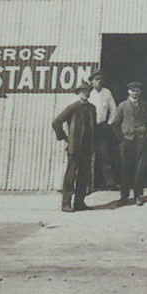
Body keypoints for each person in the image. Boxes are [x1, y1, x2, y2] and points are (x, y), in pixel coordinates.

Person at [52, 81, 96, 212]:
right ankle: (66, 203)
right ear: (78, 93)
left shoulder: (92, 108)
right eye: (83, 91)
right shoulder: (73, 107)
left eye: (88, 91)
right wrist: (65, 138)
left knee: (84, 175)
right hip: (75, 147)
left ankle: (79, 203)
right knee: (70, 176)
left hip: (87, 147)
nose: (86, 94)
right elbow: (56, 122)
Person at [111, 81, 147, 206]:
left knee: (140, 168)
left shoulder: (145, 105)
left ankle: (138, 195)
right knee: (125, 167)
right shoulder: (123, 105)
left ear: (140, 92)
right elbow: (115, 123)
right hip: (127, 140)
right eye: (133, 91)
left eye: (137, 91)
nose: (135, 93)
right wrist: (121, 138)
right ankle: (124, 196)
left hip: (141, 140)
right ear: (128, 92)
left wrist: (146, 134)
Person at [87, 69, 118, 190]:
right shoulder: (88, 93)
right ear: (91, 82)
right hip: (90, 128)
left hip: (102, 127)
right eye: (96, 80)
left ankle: (110, 183)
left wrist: (109, 123)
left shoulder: (107, 92)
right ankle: (88, 185)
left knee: (105, 155)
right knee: (89, 156)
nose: (99, 82)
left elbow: (114, 109)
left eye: (100, 80)